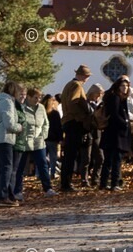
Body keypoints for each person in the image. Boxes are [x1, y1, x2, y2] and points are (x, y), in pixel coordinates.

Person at [12, 88, 56, 199]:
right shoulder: (22, 107)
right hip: (25, 142)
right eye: (35, 97)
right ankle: (17, 190)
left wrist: (44, 135)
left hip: (38, 142)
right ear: (29, 97)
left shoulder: (41, 108)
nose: (38, 100)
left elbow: (46, 123)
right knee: (20, 167)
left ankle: (48, 188)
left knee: (43, 166)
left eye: (39, 97)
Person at [59, 65, 94, 193]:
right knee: (70, 155)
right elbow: (73, 103)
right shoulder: (77, 86)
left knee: (70, 155)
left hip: (69, 122)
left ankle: (65, 183)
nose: (87, 78)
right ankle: (66, 184)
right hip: (74, 123)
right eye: (87, 76)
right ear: (84, 76)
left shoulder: (69, 85)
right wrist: (81, 117)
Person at [0, 81, 25, 207]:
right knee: (7, 167)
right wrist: (19, 127)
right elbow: (9, 124)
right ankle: (3, 196)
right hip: (5, 138)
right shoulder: (7, 102)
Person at [99, 78, 130, 191]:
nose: (125, 88)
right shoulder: (115, 98)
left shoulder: (118, 98)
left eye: (126, 86)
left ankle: (104, 183)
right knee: (114, 160)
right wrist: (125, 123)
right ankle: (113, 183)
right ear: (117, 86)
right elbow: (115, 115)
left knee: (110, 160)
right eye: (122, 86)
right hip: (115, 134)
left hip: (113, 134)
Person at [84, 84, 105, 186]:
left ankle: (95, 178)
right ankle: (84, 179)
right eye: (98, 94)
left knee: (100, 157)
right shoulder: (85, 103)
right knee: (86, 158)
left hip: (97, 133)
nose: (99, 96)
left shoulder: (99, 104)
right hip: (88, 132)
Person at [43, 95, 62, 180]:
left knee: (43, 156)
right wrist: (60, 138)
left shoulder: (42, 112)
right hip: (52, 138)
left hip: (43, 138)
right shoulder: (55, 113)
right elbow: (58, 127)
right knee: (53, 157)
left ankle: (41, 173)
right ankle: (53, 172)